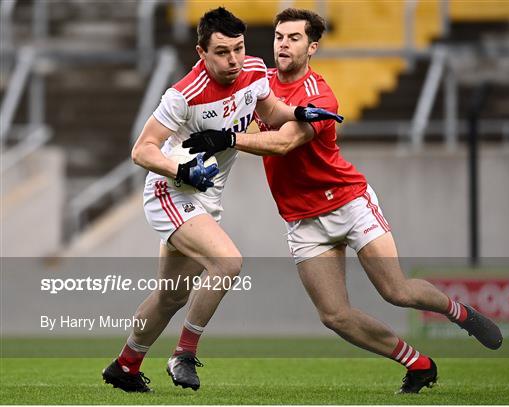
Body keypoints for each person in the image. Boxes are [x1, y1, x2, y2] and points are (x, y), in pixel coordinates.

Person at [183, 8, 503, 394]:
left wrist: (228, 139)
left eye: (294, 38)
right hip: (302, 219)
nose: (283, 44)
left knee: (396, 291)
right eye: (279, 36)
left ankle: (461, 314)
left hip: (348, 203)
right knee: (334, 315)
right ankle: (418, 364)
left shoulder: (320, 95)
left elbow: (285, 142)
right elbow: (216, 99)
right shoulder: (258, 84)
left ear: (313, 46)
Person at [101, 7, 342, 393]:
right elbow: (141, 151)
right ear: (202, 52)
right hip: (171, 192)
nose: (233, 60)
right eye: (222, 52)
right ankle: (184, 354)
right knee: (228, 261)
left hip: (204, 197)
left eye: (239, 48)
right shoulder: (183, 95)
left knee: (171, 295)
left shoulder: (253, 70)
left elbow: (271, 110)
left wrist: (298, 111)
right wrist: (181, 172)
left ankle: (125, 366)